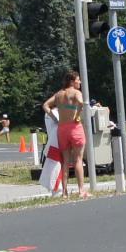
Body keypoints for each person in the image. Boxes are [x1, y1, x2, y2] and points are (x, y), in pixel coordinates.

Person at [42, 71, 91, 200]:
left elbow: (45, 105)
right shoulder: (76, 92)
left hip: (62, 129)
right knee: (78, 160)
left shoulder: (59, 94)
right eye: (78, 80)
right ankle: (81, 191)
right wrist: (77, 115)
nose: (80, 82)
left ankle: (64, 192)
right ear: (72, 81)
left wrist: (54, 118)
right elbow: (81, 103)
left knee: (65, 161)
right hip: (75, 128)